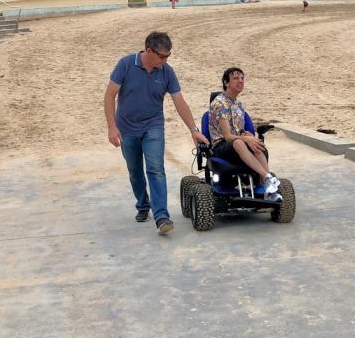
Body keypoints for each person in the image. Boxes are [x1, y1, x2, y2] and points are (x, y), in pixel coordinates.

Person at [104, 31, 209, 235]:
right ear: (149, 51)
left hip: (153, 126)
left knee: (155, 169)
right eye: (162, 56)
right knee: (135, 171)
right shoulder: (126, 64)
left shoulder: (167, 72)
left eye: (168, 56)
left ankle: (162, 216)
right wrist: (111, 126)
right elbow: (109, 97)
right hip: (126, 128)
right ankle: (143, 206)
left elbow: (179, 101)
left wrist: (193, 130)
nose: (165, 60)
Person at [209, 67, 281, 201]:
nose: (240, 81)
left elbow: (238, 130)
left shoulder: (238, 105)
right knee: (239, 142)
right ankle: (266, 177)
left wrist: (247, 135)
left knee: (256, 144)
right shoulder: (220, 103)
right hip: (221, 146)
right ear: (226, 83)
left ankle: (266, 186)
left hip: (237, 145)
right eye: (236, 78)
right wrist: (245, 139)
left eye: (242, 78)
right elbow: (228, 136)